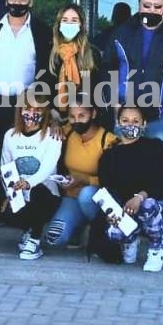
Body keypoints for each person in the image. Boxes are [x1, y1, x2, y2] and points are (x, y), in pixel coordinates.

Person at [101, 0, 163, 219]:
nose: (151, 10)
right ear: (138, 5)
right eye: (146, 5)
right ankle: (122, 221)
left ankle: (160, 222)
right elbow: (107, 69)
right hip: (125, 115)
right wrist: (112, 101)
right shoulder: (122, 33)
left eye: (157, 6)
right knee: (120, 167)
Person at [80, 106, 163, 272]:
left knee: (148, 205)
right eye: (125, 121)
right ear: (118, 123)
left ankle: (155, 250)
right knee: (113, 233)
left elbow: (159, 184)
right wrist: (112, 214)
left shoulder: (156, 147)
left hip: (154, 206)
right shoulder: (109, 156)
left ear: (144, 124)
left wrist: (139, 197)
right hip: (126, 209)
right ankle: (131, 240)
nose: (130, 125)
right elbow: (107, 190)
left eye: (136, 121)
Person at [0, 0, 54, 154]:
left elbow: (49, 71)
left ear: (30, 2)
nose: (17, 2)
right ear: (6, 0)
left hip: (26, 105)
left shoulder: (42, 33)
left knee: (21, 152)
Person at [45, 94, 117, 247]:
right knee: (54, 238)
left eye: (82, 115)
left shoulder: (108, 140)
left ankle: (101, 232)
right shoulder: (69, 132)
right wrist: (54, 123)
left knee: (86, 195)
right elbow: (44, 134)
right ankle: (78, 227)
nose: (76, 121)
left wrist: (85, 180)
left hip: (96, 197)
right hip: (72, 196)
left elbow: (114, 180)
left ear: (93, 113)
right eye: (72, 117)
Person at [0, 90, 63, 260]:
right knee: (6, 211)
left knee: (38, 192)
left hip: (45, 193)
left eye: (37, 110)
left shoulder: (52, 135)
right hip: (20, 194)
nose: (31, 114)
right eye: (27, 109)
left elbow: (48, 167)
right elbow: (6, 166)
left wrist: (29, 183)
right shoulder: (10, 135)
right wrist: (9, 192)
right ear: (20, 110)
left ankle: (34, 240)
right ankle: (27, 229)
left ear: (45, 112)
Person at [48, 3, 100, 113]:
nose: (69, 24)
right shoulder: (50, 52)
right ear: (59, 24)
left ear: (81, 24)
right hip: (54, 117)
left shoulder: (91, 53)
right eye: (65, 20)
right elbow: (46, 87)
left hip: (83, 117)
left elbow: (94, 90)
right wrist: (53, 113)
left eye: (74, 20)